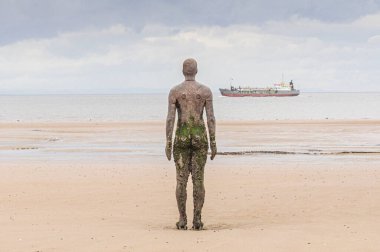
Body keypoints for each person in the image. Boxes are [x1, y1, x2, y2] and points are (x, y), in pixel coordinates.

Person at [165, 58, 217, 230]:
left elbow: (171, 118)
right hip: (199, 137)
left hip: (181, 137)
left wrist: (168, 142)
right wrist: (213, 141)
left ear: (182, 71)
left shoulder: (175, 91)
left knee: (181, 181)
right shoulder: (205, 91)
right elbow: (210, 118)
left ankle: (182, 220)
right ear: (196, 71)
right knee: (198, 180)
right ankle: (197, 220)